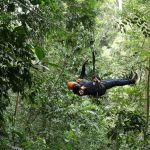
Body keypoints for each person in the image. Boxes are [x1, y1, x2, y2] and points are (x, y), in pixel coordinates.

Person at [67, 61, 138, 96]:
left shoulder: (78, 81)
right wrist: (83, 87)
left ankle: (129, 79)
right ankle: (132, 81)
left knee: (114, 80)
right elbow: (84, 91)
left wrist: (84, 65)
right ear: (74, 87)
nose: (76, 84)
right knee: (115, 82)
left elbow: (82, 74)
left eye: (75, 83)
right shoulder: (78, 91)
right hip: (99, 89)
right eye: (75, 85)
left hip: (98, 83)